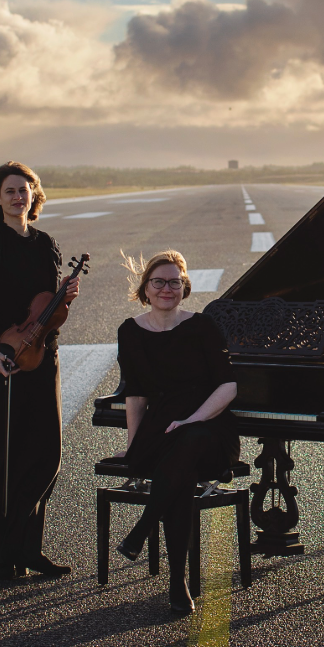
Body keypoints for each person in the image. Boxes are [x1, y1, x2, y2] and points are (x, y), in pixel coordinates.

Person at [0, 161, 80, 580]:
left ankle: (28, 547)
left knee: (44, 455)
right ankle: (2, 553)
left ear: (33, 195)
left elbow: (48, 309)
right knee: (1, 457)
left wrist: (66, 297)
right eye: (9, 191)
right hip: (4, 361)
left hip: (43, 358)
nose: (17, 197)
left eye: (23, 190)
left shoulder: (46, 244)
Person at [112, 250, 239, 616]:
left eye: (174, 282)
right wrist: (133, 445)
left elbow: (228, 385)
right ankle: (176, 582)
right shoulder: (130, 331)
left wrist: (194, 419)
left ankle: (143, 530)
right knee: (179, 471)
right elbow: (136, 394)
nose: (166, 289)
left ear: (184, 288)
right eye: (158, 282)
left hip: (210, 428)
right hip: (162, 429)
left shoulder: (202, 326)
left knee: (190, 442)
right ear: (145, 289)